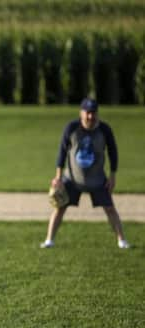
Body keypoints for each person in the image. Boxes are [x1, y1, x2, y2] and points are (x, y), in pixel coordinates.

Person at [40, 98, 129, 249]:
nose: (90, 116)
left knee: (110, 208)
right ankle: (49, 240)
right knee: (60, 207)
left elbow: (113, 152)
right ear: (81, 113)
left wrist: (113, 176)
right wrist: (58, 177)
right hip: (73, 179)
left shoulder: (104, 130)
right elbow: (62, 153)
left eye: (93, 113)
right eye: (87, 112)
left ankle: (122, 241)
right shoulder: (72, 128)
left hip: (97, 179)